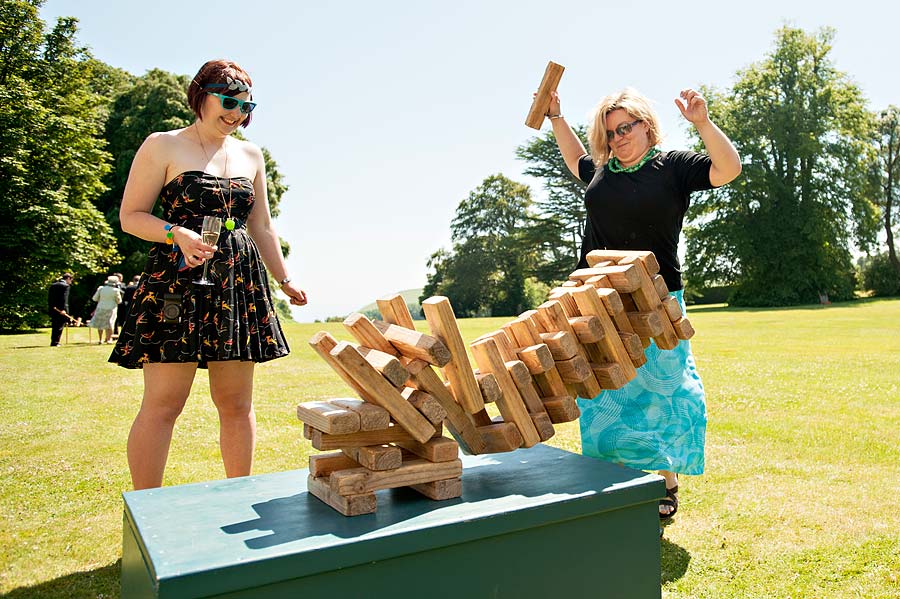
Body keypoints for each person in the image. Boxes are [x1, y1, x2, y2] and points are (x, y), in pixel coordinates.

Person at [110, 59, 308, 490]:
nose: (237, 114)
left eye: (246, 105)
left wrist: (284, 277)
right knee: (164, 404)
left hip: (237, 281)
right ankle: (147, 508)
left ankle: (237, 498)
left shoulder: (250, 154)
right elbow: (130, 216)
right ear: (201, 95)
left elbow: (261, 226)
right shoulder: (162, 145)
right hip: (175, 279)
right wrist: (174, 232)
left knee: (236, 404)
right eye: (229, 101)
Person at [546, 87, 741, 520]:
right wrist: (558, 117)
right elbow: (576, 159)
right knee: (604, 394)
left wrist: (703, 124)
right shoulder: (601, 170)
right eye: (610, 132)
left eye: (625, 128)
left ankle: (665, 483)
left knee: (668, 393)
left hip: (657, 302)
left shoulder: (672, 167)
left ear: (646, 126)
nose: (617, 138)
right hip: (597, 301)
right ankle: (608, 486)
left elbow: (728, 169)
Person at [90, 275, 123, 344]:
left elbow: (94, 298)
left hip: (100, 307)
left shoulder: (101, 288)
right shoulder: (116, 290)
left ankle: (100, 339)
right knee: (110, 324)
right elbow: (119, 301)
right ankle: (108, 339)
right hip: (111, 308)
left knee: (100, 324)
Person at [48, 273, 74, 347]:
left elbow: (50, 298)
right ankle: (56, 342)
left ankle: (54, 341)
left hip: (53, 308)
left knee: (55, 326)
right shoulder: (65, 286)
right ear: (68, 278)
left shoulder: (53, 285)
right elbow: (64, 299)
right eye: (71, 280)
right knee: (59, 326)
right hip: (61, 310)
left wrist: (51, 307)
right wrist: (64, 309)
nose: (70, 282)